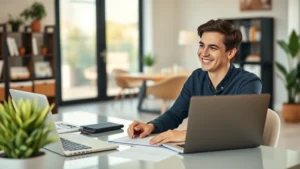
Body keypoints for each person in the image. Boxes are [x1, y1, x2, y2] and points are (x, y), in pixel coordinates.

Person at [127, 19, 262, 145]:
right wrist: (151, 126)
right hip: (200, 152)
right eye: (202, 45)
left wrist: (186, 134)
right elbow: (175, 114)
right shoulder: (196, 77)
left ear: (231, 53)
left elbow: (240, 129)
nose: (204, 53)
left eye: (213, 48)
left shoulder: (249, 82)